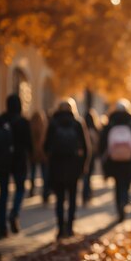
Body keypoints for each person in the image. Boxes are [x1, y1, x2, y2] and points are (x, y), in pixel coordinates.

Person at [0, 94, 32, 239]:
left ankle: (1, 228)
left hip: (2, 162)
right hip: (19, 162)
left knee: (3, 195)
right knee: (20, 190)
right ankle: (14, 213)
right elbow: (29, 144)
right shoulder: (23, 122)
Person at [44, 99, 91, 239]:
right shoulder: (77, 123)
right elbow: (86, 147)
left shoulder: (53, 123)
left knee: (59, 199)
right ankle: (70, 228)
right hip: (74, 166)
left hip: (57, 166)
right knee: (72, 198)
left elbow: (46, 146)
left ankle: (60, 229)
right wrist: (84, 165)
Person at [99, 99, 131, 222]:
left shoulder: (111, 122)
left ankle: (119, 204)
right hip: (129, 159)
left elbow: (103, 141)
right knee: (126, 181)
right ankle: (124, 201)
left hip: (114, 160)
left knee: (118, 183)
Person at [29, 110, 49, 203]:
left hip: (33, 154)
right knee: (44, 175)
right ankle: (45, 192)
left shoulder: (30, 128)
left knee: (32, 173)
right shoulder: (44, 127)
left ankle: (32, 189)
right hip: (42, 154)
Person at [82, 109, 101, 205]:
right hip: (92, 155)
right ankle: (87, 192)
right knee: (89, 175)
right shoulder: (95, 130)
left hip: (83, 155)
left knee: (85, 175)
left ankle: (85, 193)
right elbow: (97, 144)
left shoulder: (83, 129)